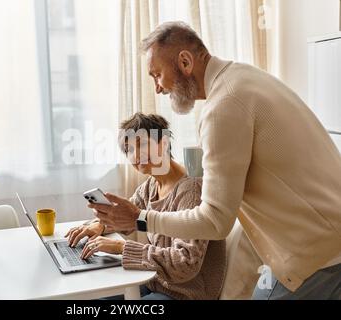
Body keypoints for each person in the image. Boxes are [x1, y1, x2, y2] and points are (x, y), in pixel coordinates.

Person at [89, 21, 341, 300]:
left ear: (185, 61)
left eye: (157, 74)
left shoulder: (224, 106)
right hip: (326, 239)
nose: (158, 88)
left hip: (316, 252)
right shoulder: (245, 78)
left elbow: (215, 221)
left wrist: (141, 220)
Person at [66, 113, 226, 300]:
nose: (135, 155)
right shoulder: (151, 186)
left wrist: (121, 247)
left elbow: (185, 264)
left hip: (185, 293)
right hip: (153, 282)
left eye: (141, 144)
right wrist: (100, 225)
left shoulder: (191, 190)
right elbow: (126, 218)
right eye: (128, 149)